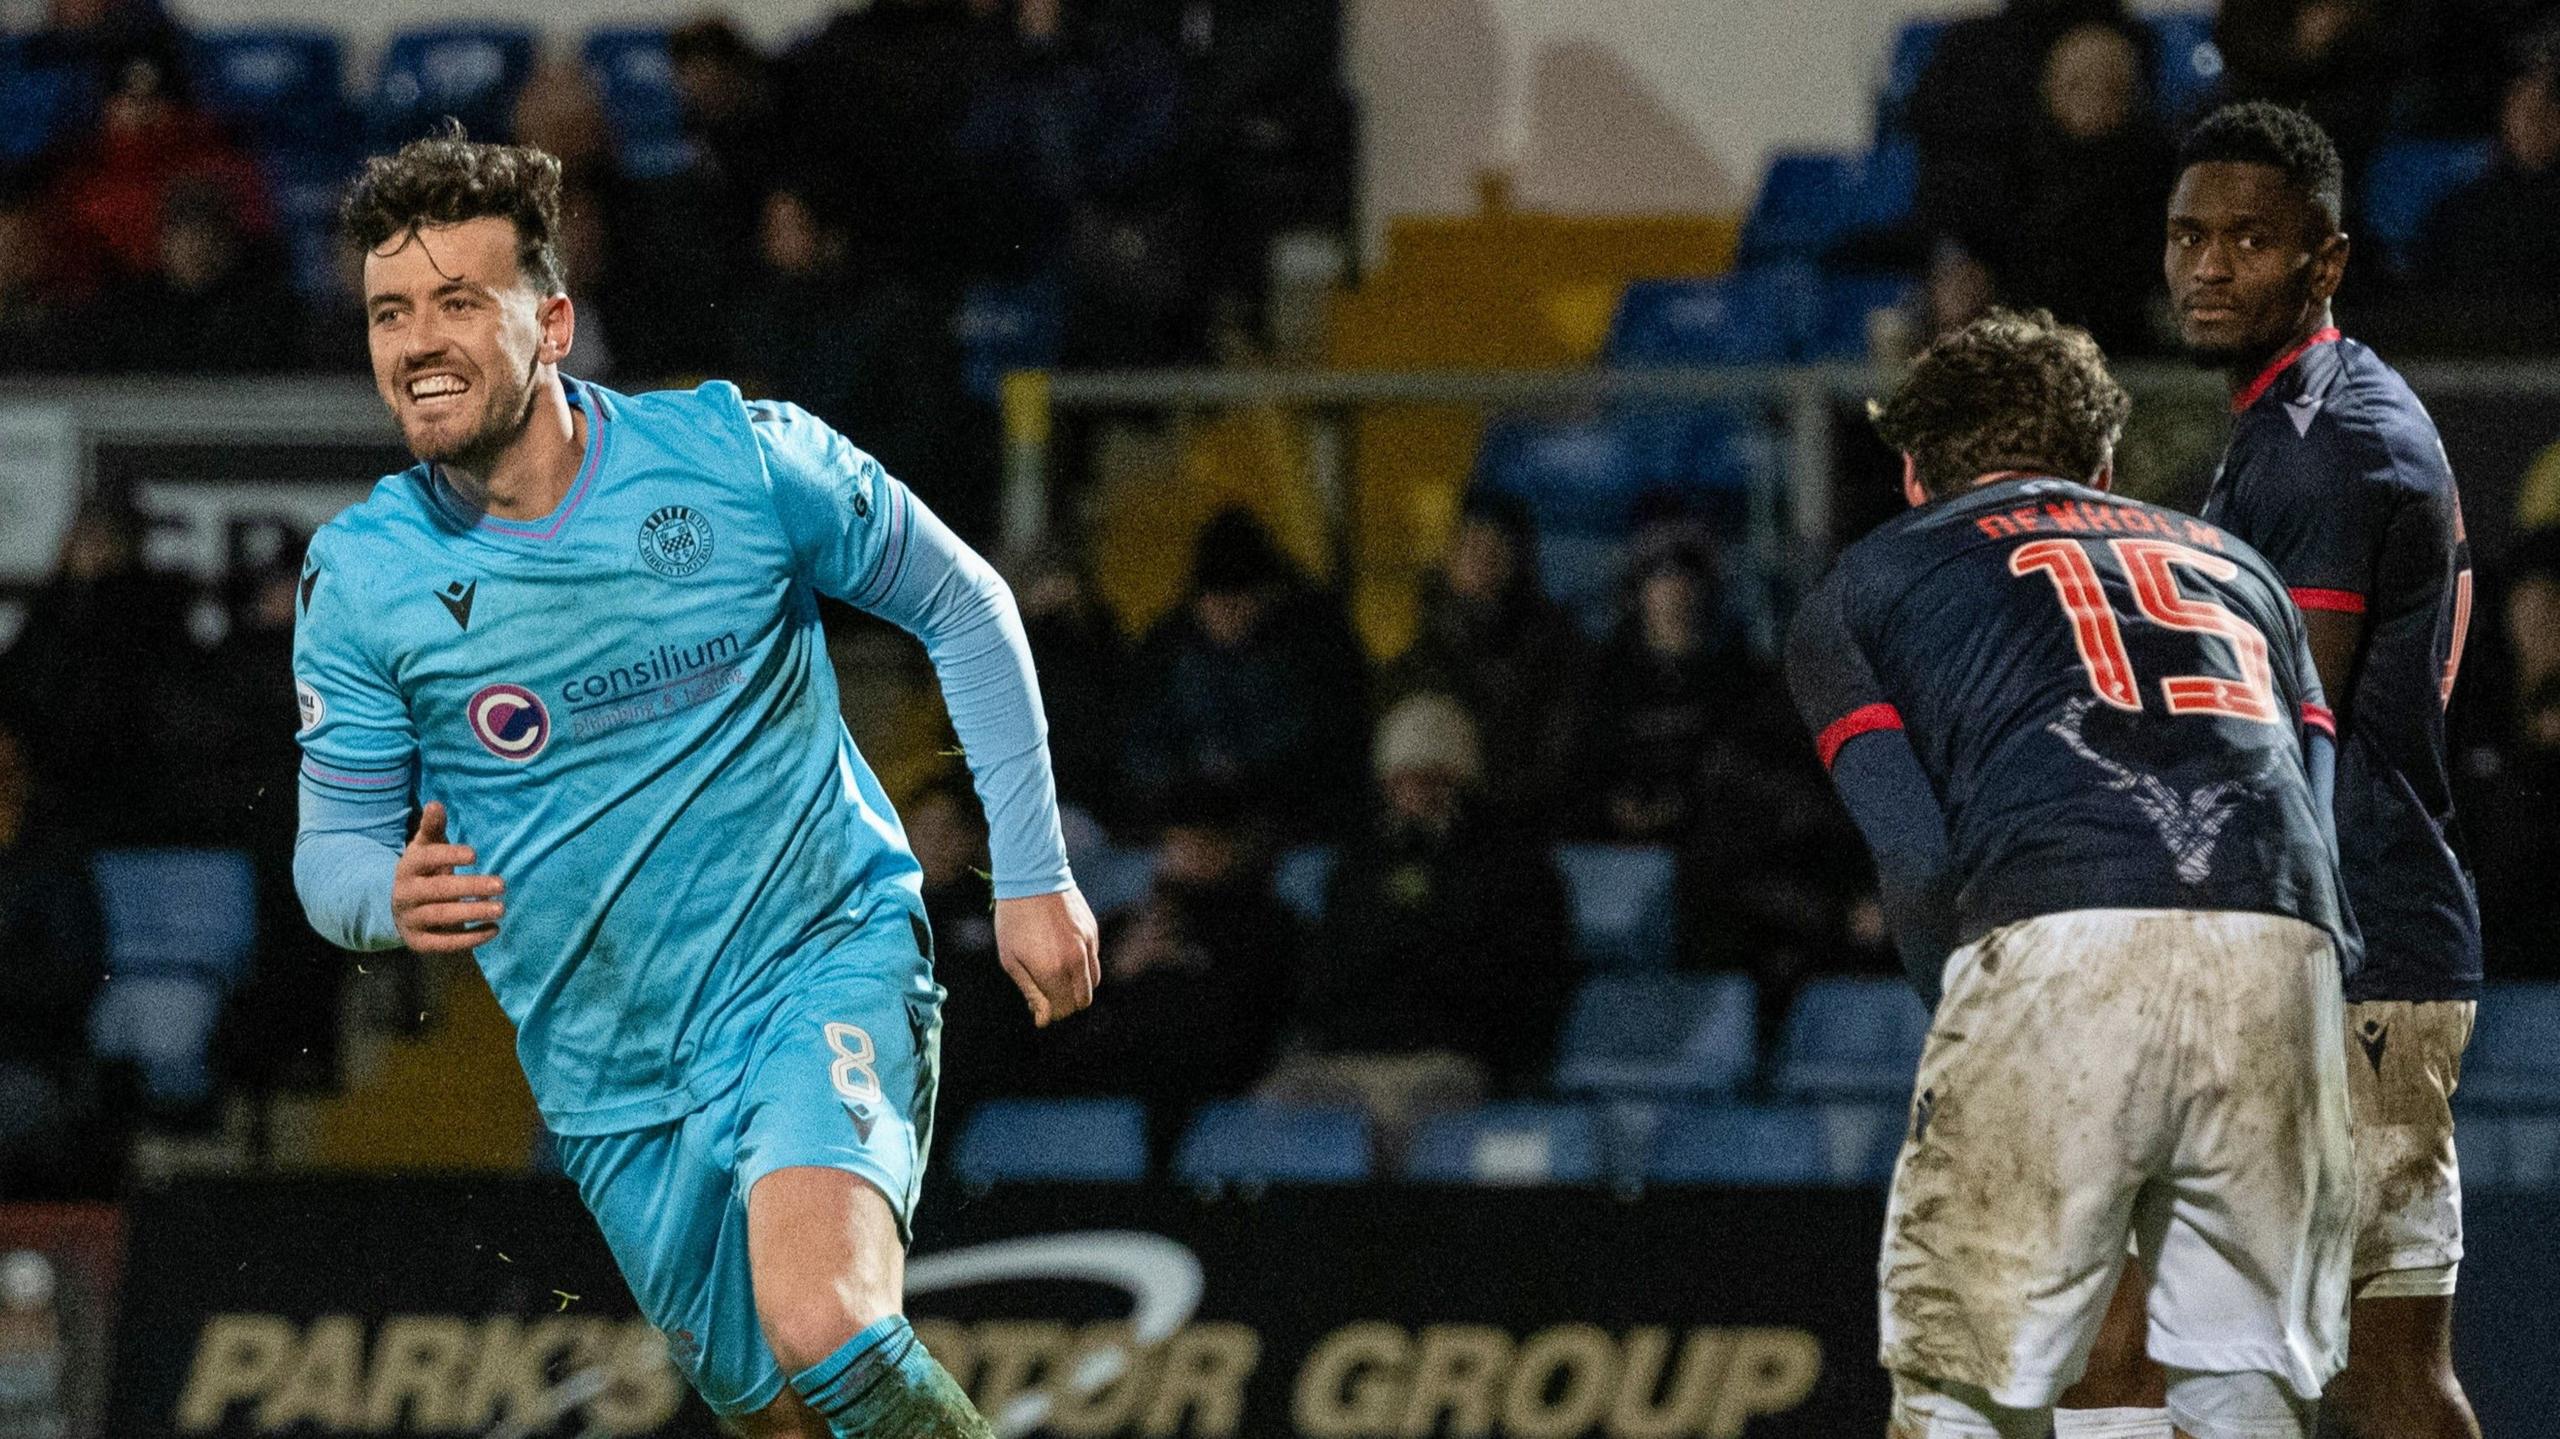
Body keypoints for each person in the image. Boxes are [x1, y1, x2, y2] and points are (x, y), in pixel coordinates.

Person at [289, 126, 1098, 1439]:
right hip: (609, 1072)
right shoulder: (363, 578)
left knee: (826, 1317)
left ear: (550, 320)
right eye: (390, 310)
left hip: (815, 957)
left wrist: (1036, 874)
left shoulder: (738, 456)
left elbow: (964, 600)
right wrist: (384, 892)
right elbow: (329, 850)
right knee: (778, 1412)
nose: (416, 340)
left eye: (456, 302)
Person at [1790, 309, 2357, 1439]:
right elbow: (2318, 817)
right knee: (2237, 1388)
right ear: (2104, 465)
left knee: (1961, 1377)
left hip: (2057, 930)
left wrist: (1978, 1029)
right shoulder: (2243, 569)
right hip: (2287, 946)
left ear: (1912, 474)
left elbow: (1916, 854)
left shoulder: (1863, 585)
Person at [2166, 102, 2483, 1439]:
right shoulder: (2290, 419)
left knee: (2376, 1370)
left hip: (2350, 955)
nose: (2210, 265)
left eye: (2250, 237)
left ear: (2327, 260)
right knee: (2325, 1361)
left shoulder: (2331, 446)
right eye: (2189, 235)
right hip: (2351, 937)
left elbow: (2279, 732)